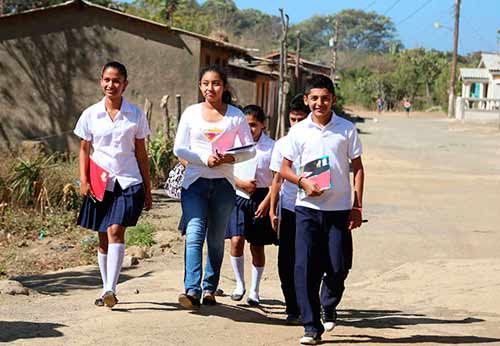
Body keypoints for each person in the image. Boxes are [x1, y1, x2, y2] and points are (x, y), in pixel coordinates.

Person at [280, 74, 364, 345]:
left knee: (338, 265)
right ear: (307, 100)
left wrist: (357, 205)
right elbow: (284, 168)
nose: (320, 103)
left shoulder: (346, 129)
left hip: (338, 210)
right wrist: (303, 181)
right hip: (306, 207)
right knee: (304, 266)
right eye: (314, 98)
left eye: (325, 98)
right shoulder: (298, 131)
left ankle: (329, 303)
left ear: (333, 100)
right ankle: (310, 326)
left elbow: (358, 168)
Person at [173, 65, 255, 309]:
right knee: (195, 234)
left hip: (224, 185)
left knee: (217, 239)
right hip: (194, 182)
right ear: (200, 86)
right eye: (206, 83)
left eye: (216, 83)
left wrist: (230, 158)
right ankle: (191, 289)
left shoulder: (235, 116)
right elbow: (179, 148)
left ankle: (210, 287)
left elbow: (249, 149)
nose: (211, 88)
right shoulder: (190, 113)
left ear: (224, 87)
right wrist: (203, 159)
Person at [74, 61, 152, 308]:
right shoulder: (90, 114)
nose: (111, 85)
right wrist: (84, 180)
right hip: (99, 182)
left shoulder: (136, 115)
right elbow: (84, 150)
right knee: (102, 238)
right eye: (107, 80)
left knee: (116, 229)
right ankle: (105, 289)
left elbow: (141, 153)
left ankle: (111, 288)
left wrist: (148, 189)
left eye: (117, 80)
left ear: (125, 84)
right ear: (101, 82)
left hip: (128, 181)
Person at [225, 105, 275, 306]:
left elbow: (277, 180)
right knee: (236, 240)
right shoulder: (235, 144)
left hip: (262, 197)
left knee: (257, 245)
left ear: (262, 124)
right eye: (245, 126)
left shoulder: (271, 147)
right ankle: (239, 283)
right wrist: (241, 183)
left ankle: (255, 290)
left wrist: (267, 203)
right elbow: (226, 170)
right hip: (238, 194)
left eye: (253, 125)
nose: (249, 129)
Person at [268, 94, 309, 325]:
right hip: (289, 209)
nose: (296, 124)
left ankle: (309, 304)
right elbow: (276, 180)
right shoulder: (282, 144)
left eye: (300, 119)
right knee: (286, 261)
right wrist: (273, 210)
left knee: (309, 260)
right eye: (292, 119)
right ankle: (292, 307)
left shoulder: (315, 140)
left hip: (312, 208)